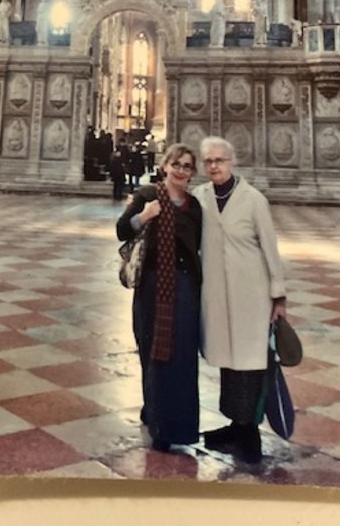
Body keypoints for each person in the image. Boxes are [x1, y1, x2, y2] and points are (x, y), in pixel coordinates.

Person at [193, 136, 287, 464]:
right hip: (217, 292)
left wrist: (278, 295)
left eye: (219, 160)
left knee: (250, 361)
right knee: (229, 359)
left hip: (252, 293)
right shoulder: (200, 196)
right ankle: (235, 424)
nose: (214, 166)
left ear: (231, 162)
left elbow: (270, 247)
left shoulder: (253, 199)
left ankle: (250, 432)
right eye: (208, 161)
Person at [116, 143, 202, 452]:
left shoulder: (194, 206)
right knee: (153, 350)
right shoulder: (147, 196)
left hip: (185, 287)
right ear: (164, 165)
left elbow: (198, 246)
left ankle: (180, 424)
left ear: (192, 172)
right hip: (153, 285)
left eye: (187, 166)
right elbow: (122, 230)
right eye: (176, 164)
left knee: (182, 355)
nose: (180, 170)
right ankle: (157, 419)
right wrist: (144, 216)